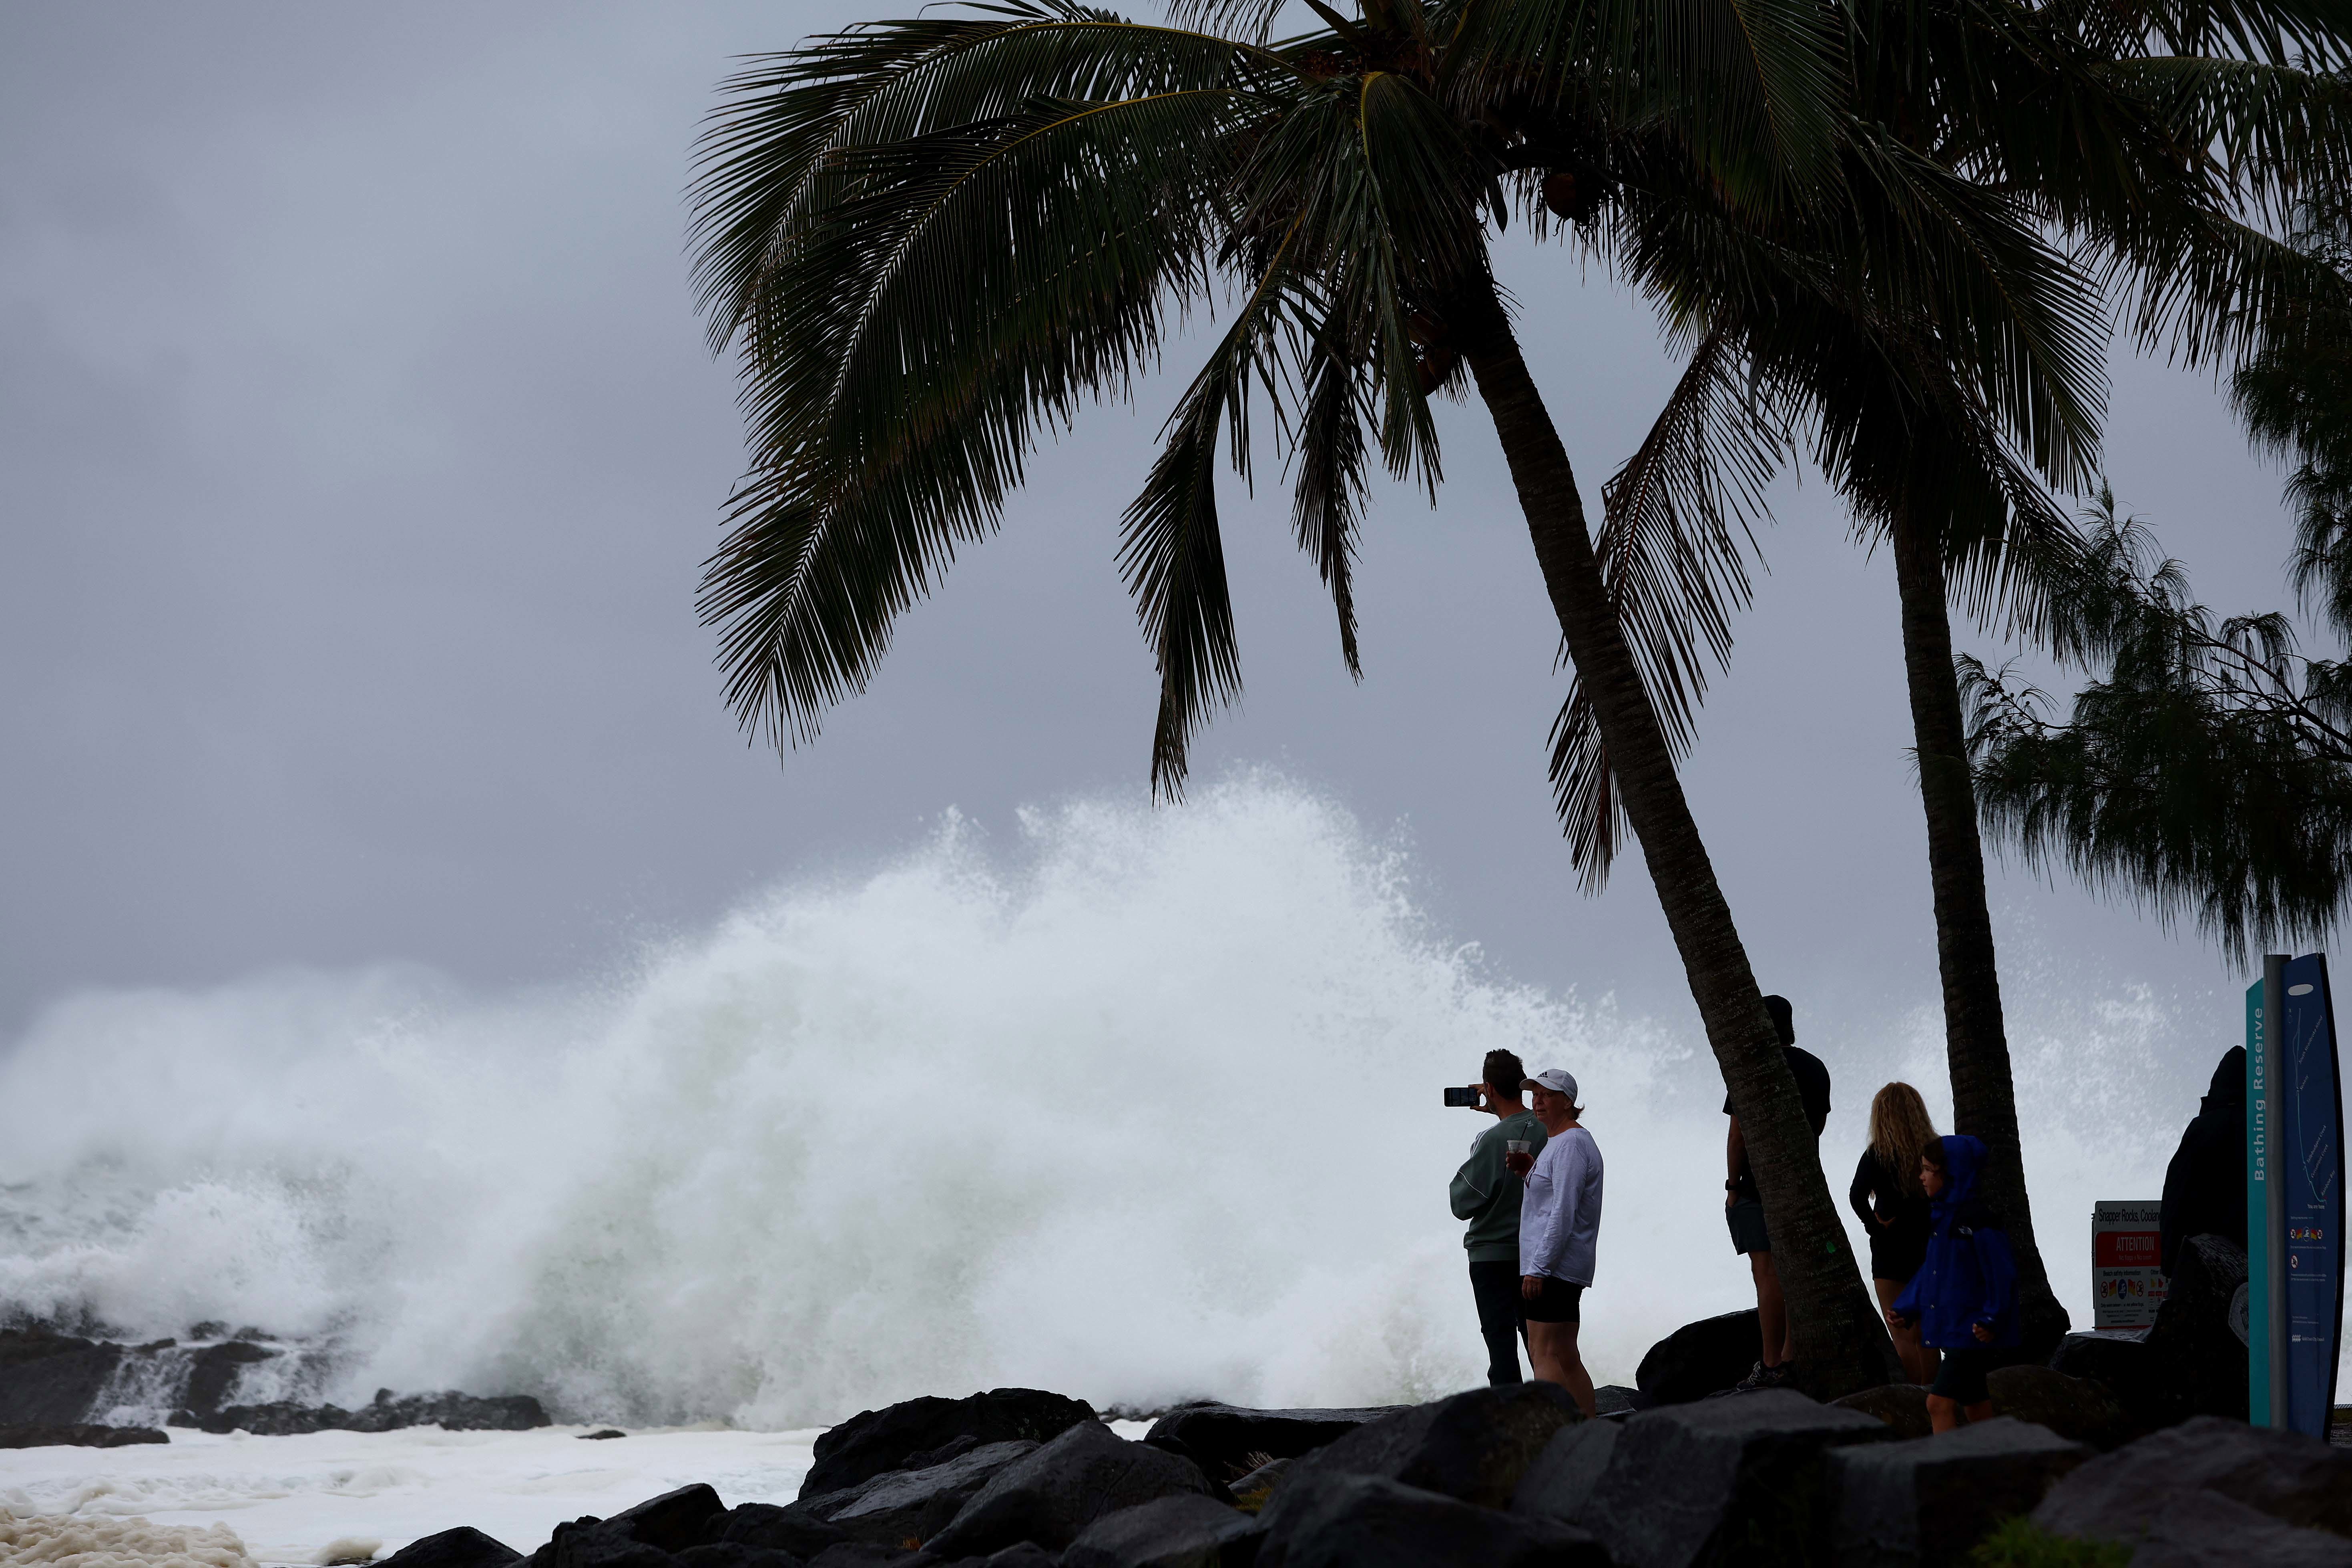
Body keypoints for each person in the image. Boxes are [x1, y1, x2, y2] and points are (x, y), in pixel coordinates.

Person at [1722, 994, 1831, 1389]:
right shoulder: (1815, 1067)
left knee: (1766, 1272)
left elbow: (1738, 1135)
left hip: (1757, 1184)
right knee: (1793, 1270)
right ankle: (1790, 1353)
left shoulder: (1751, 1067)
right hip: (1802, 1182)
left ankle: (1771, 1364)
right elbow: (1817, 1125)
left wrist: (1733, 1185)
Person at [1888, 1134, 2019, 1432]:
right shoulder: (1943, 1218)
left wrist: (1992, 1317)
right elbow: (1933, 1271)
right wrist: (1907, 1307)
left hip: (1972, 1330)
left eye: (1927, 1169)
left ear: (1950, 1173)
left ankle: (1945, 1473)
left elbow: (2001, 1272)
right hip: (1960, 1327)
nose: (1921, 1176)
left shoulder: (1978, 1221)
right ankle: (2000, 1464)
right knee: (1975, 1403)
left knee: (1938, 1403)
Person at [1448, 1049, 1549, 1385]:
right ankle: (1559, 1418)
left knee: (1502, 1350)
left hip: (1492, 1256)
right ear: (1521, 1086)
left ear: (1488, 1089)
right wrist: (1498, 1114)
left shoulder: (1491, 1140)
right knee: (1542, 1347)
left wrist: (1489, 1133)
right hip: (1536, 1254)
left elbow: (1461, 1202)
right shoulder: (1548, 1128)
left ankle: (1516, 1426)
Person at [1511, 1067, 1603, 1416]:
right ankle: (1587, 1433)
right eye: (1535, 1094)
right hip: (1561, 1265)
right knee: (1564, 1353)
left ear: (1567, 1102)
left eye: (1547, 1094)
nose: (1538, 1101)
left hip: (1553, 1267)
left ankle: (1557, 1437)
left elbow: (1562, 1211)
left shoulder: (1571, 1144)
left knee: (1543, 1353)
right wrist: (1531, 1171)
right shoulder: (1563, 1143)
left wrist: (1538, 1268)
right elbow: (1556, 1198)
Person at [1850, 1082, 1941, 1385]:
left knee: (1902, 1337)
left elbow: (1856, 1195)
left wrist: (1873, 1226)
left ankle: (1916, 1404)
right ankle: (1937, 1403)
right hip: (1929, 1247)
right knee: (1927, 1335)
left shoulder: (1878, 1153)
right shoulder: (1934, 1151)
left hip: (1890, 1249)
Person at [2159, 1046, 2248, 1276]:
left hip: (2206, 1269)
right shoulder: (2264, 1133)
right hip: (2256, 1268)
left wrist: (2171, 1262)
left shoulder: (2202, 1129)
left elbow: (2175, 1197)